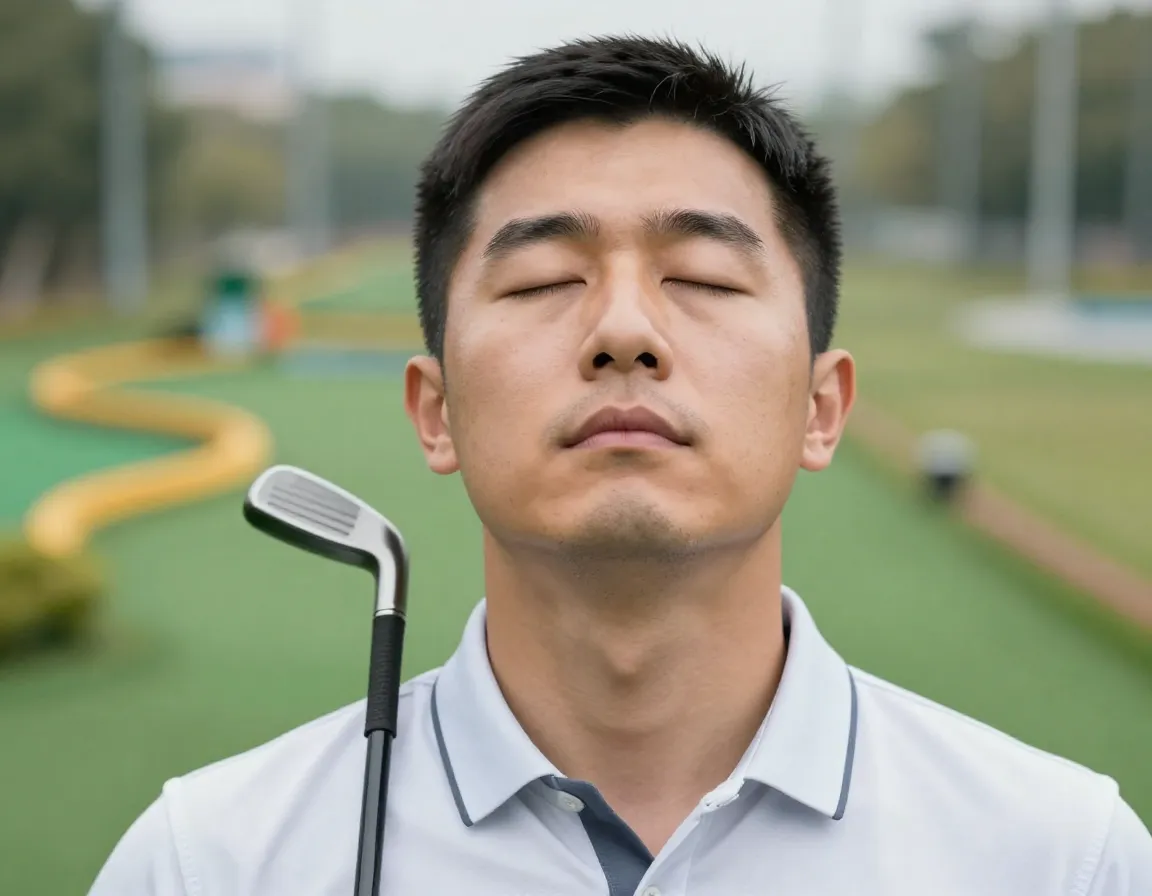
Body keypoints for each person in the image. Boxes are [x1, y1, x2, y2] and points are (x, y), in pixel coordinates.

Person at [87, 35, 1152, 895]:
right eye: (547, 276)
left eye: (702, 274)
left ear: (822, 408)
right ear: (436, 408)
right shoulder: (205, 861)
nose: (625, 331)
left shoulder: (1066, 857)